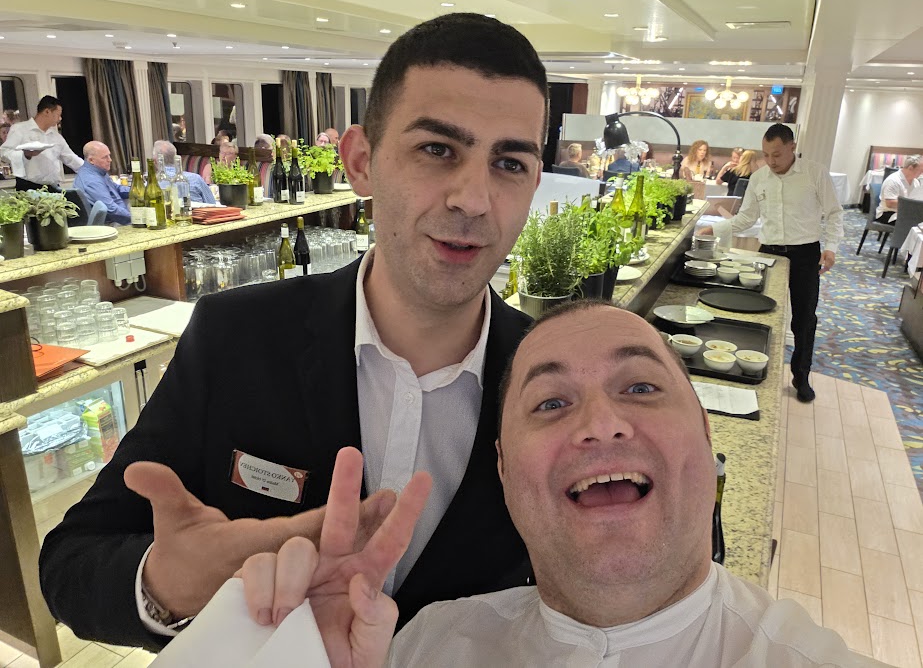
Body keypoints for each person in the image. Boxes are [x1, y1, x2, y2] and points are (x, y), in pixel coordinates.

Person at [39, 11, 548, 652]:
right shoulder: (235, 335)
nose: (472, 199)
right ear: (361, 161)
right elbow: (72, 563)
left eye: (509, 163)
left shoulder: (551, 380)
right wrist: (169, 585)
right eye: (437, 150)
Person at [236, 301, 880, 668]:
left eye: (641, 387)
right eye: (550, 403)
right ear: (503, 469)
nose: (600, 424)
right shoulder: (424, 647)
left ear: (706, 437)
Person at [697, 124, 843, 403]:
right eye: (766, 155)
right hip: (769, 254)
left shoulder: (814, 173)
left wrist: (831, 248)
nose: (771, 161)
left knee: (804, 318)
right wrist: (713, 230)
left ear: (792, 147)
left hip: (805, 253)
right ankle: (754, 368)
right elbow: (746, 218)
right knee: (761, 314)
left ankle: (801, 376)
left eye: (777, 154)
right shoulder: (759, 178)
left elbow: (834, 213)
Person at [0, 95, 83, 191]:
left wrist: (90, 169)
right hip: (28, 186)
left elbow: (71, 158)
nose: (60, 118)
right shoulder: (20, 129)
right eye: (58, 114)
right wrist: (25, 155)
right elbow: (4, 152)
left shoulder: (55, 136)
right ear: (47, 112)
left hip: (53, 186)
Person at [72, 141, 131, 225]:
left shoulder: (98, 171)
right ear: (91, 160)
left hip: (118, 217)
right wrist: (135, 219)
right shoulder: (92, 180)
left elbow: (116, 188)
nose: (110, 160)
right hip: (109, 224)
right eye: (105, 157)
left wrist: (140, 191)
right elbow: (112, 210)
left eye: (109, 155)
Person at [151, 141, 216, 205]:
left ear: (154, 161)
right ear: (177, 158)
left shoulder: (151, 182)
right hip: (195, 211)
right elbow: (212, 204)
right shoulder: (196, 179)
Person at [875, 154, 923, 224]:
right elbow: (890, 203)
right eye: (921, 170)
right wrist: (912, 205)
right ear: (910, 168)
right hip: (888, 213)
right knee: (915, 224)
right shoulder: (893, 180)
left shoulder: (915, 182)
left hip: (904, 212)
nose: (922, 173)